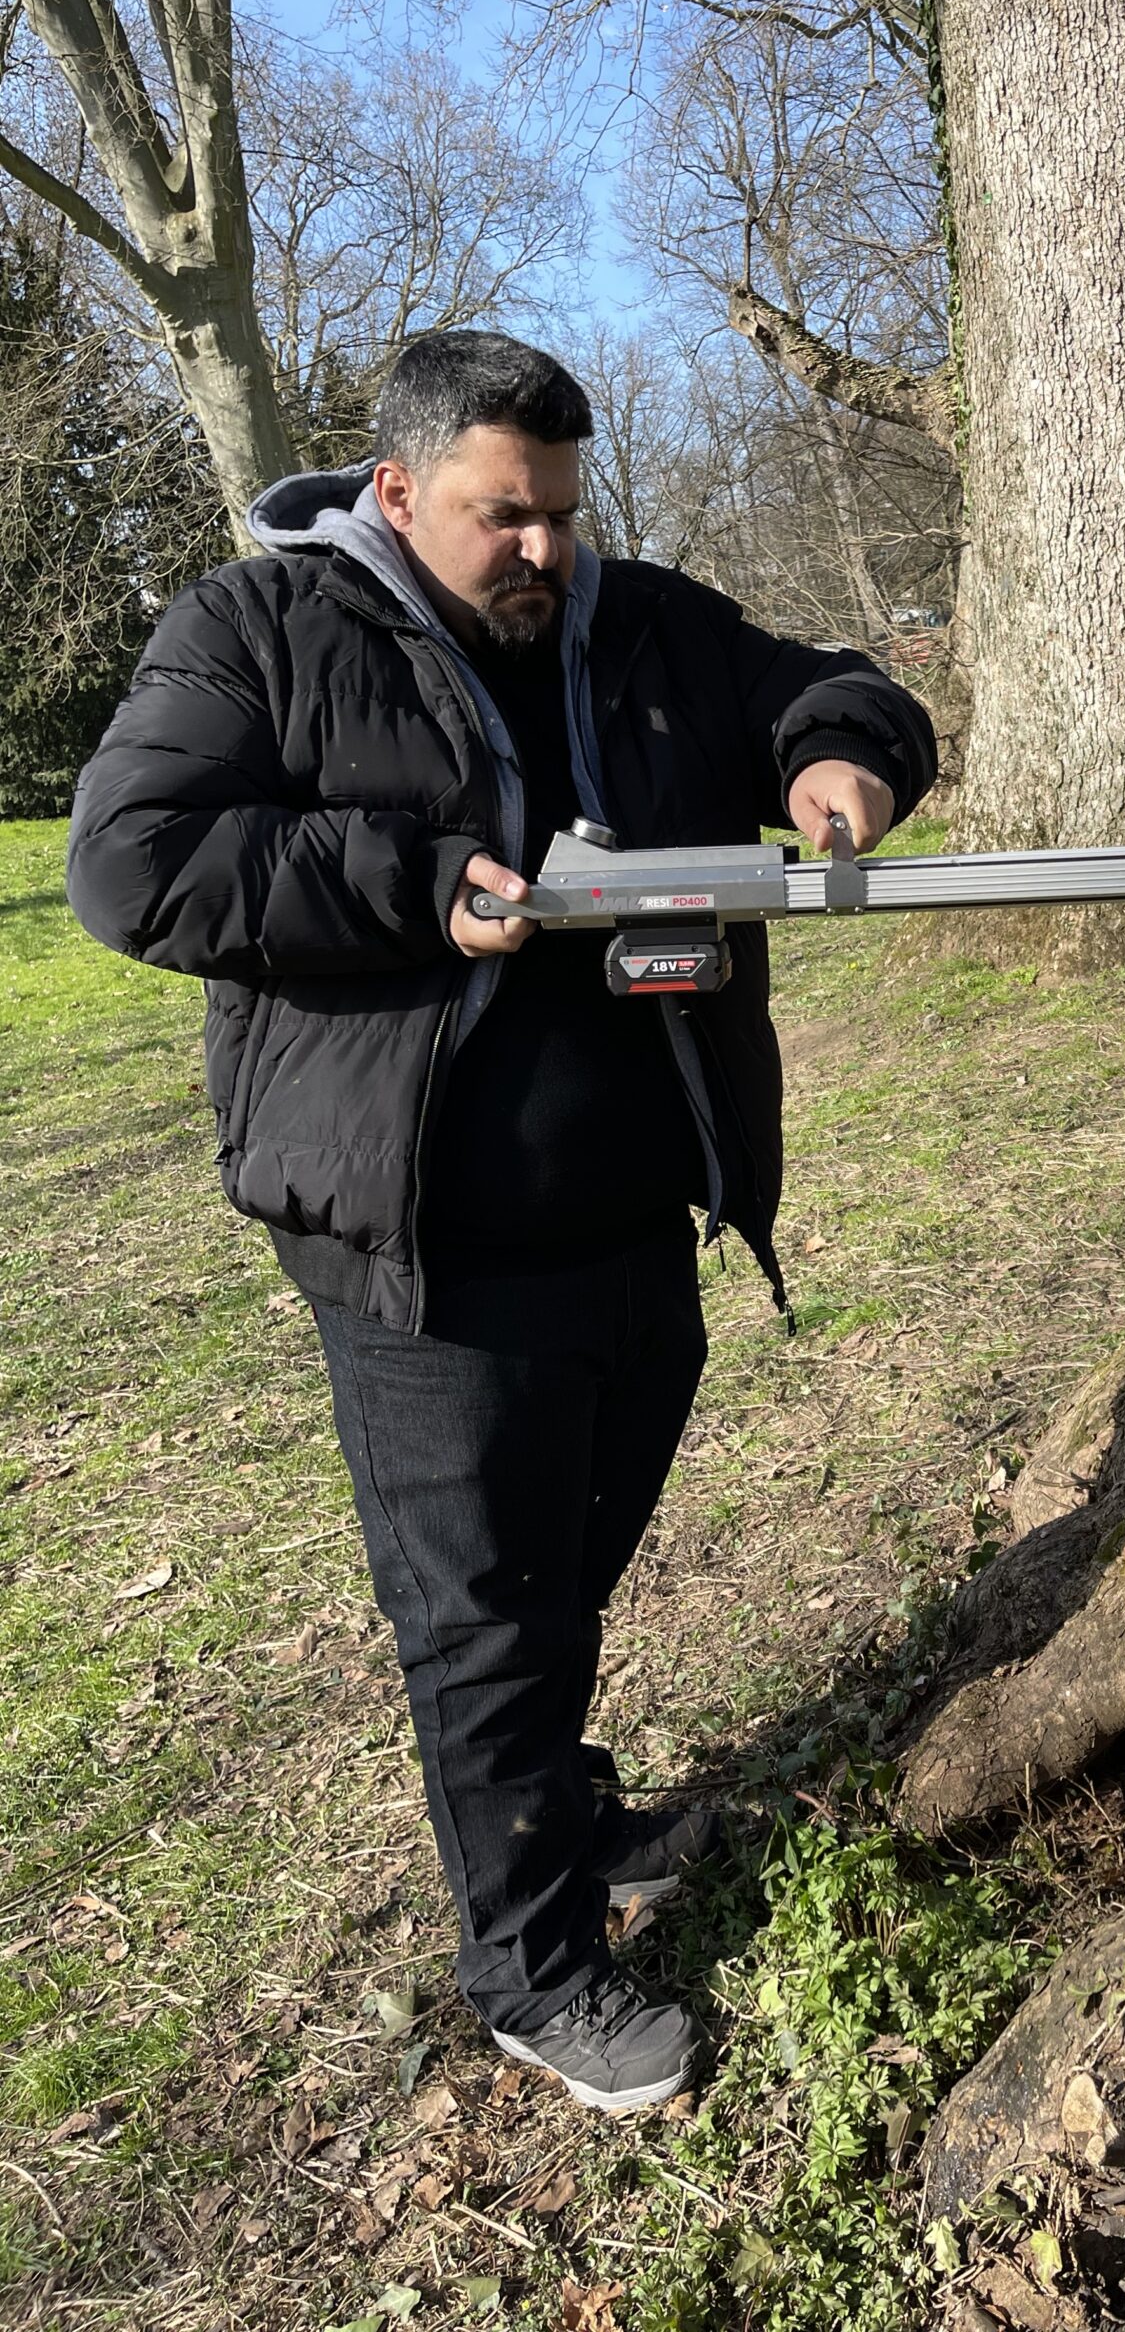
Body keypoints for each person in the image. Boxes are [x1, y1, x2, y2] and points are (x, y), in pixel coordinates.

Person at [66, 330, 937, 2113]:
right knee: (482, 1615)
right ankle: (535, 1972)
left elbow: (827, 686)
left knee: (567, 1571)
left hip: (641, 1217)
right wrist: (404, 882)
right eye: (499, 519)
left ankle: (566, 1801)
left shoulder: (642, 615)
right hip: (430, 1260)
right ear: (395, 490)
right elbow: (130, 858)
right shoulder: (261, 630)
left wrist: (844, 762)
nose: (540, 551)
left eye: (558, 512)